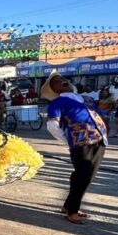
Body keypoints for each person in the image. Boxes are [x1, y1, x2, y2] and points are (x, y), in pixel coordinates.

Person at [44, 72, 108, 225]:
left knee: (88, 175)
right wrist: (67, 140)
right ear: (54, 89)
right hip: (80, 142)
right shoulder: (58, 102)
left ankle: (69, 205)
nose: (63, 81)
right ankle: (72, 210)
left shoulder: (85, 99)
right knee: (83, 175)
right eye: (58, 82)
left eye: (64, 79)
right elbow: (52, 125)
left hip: (99, 139)